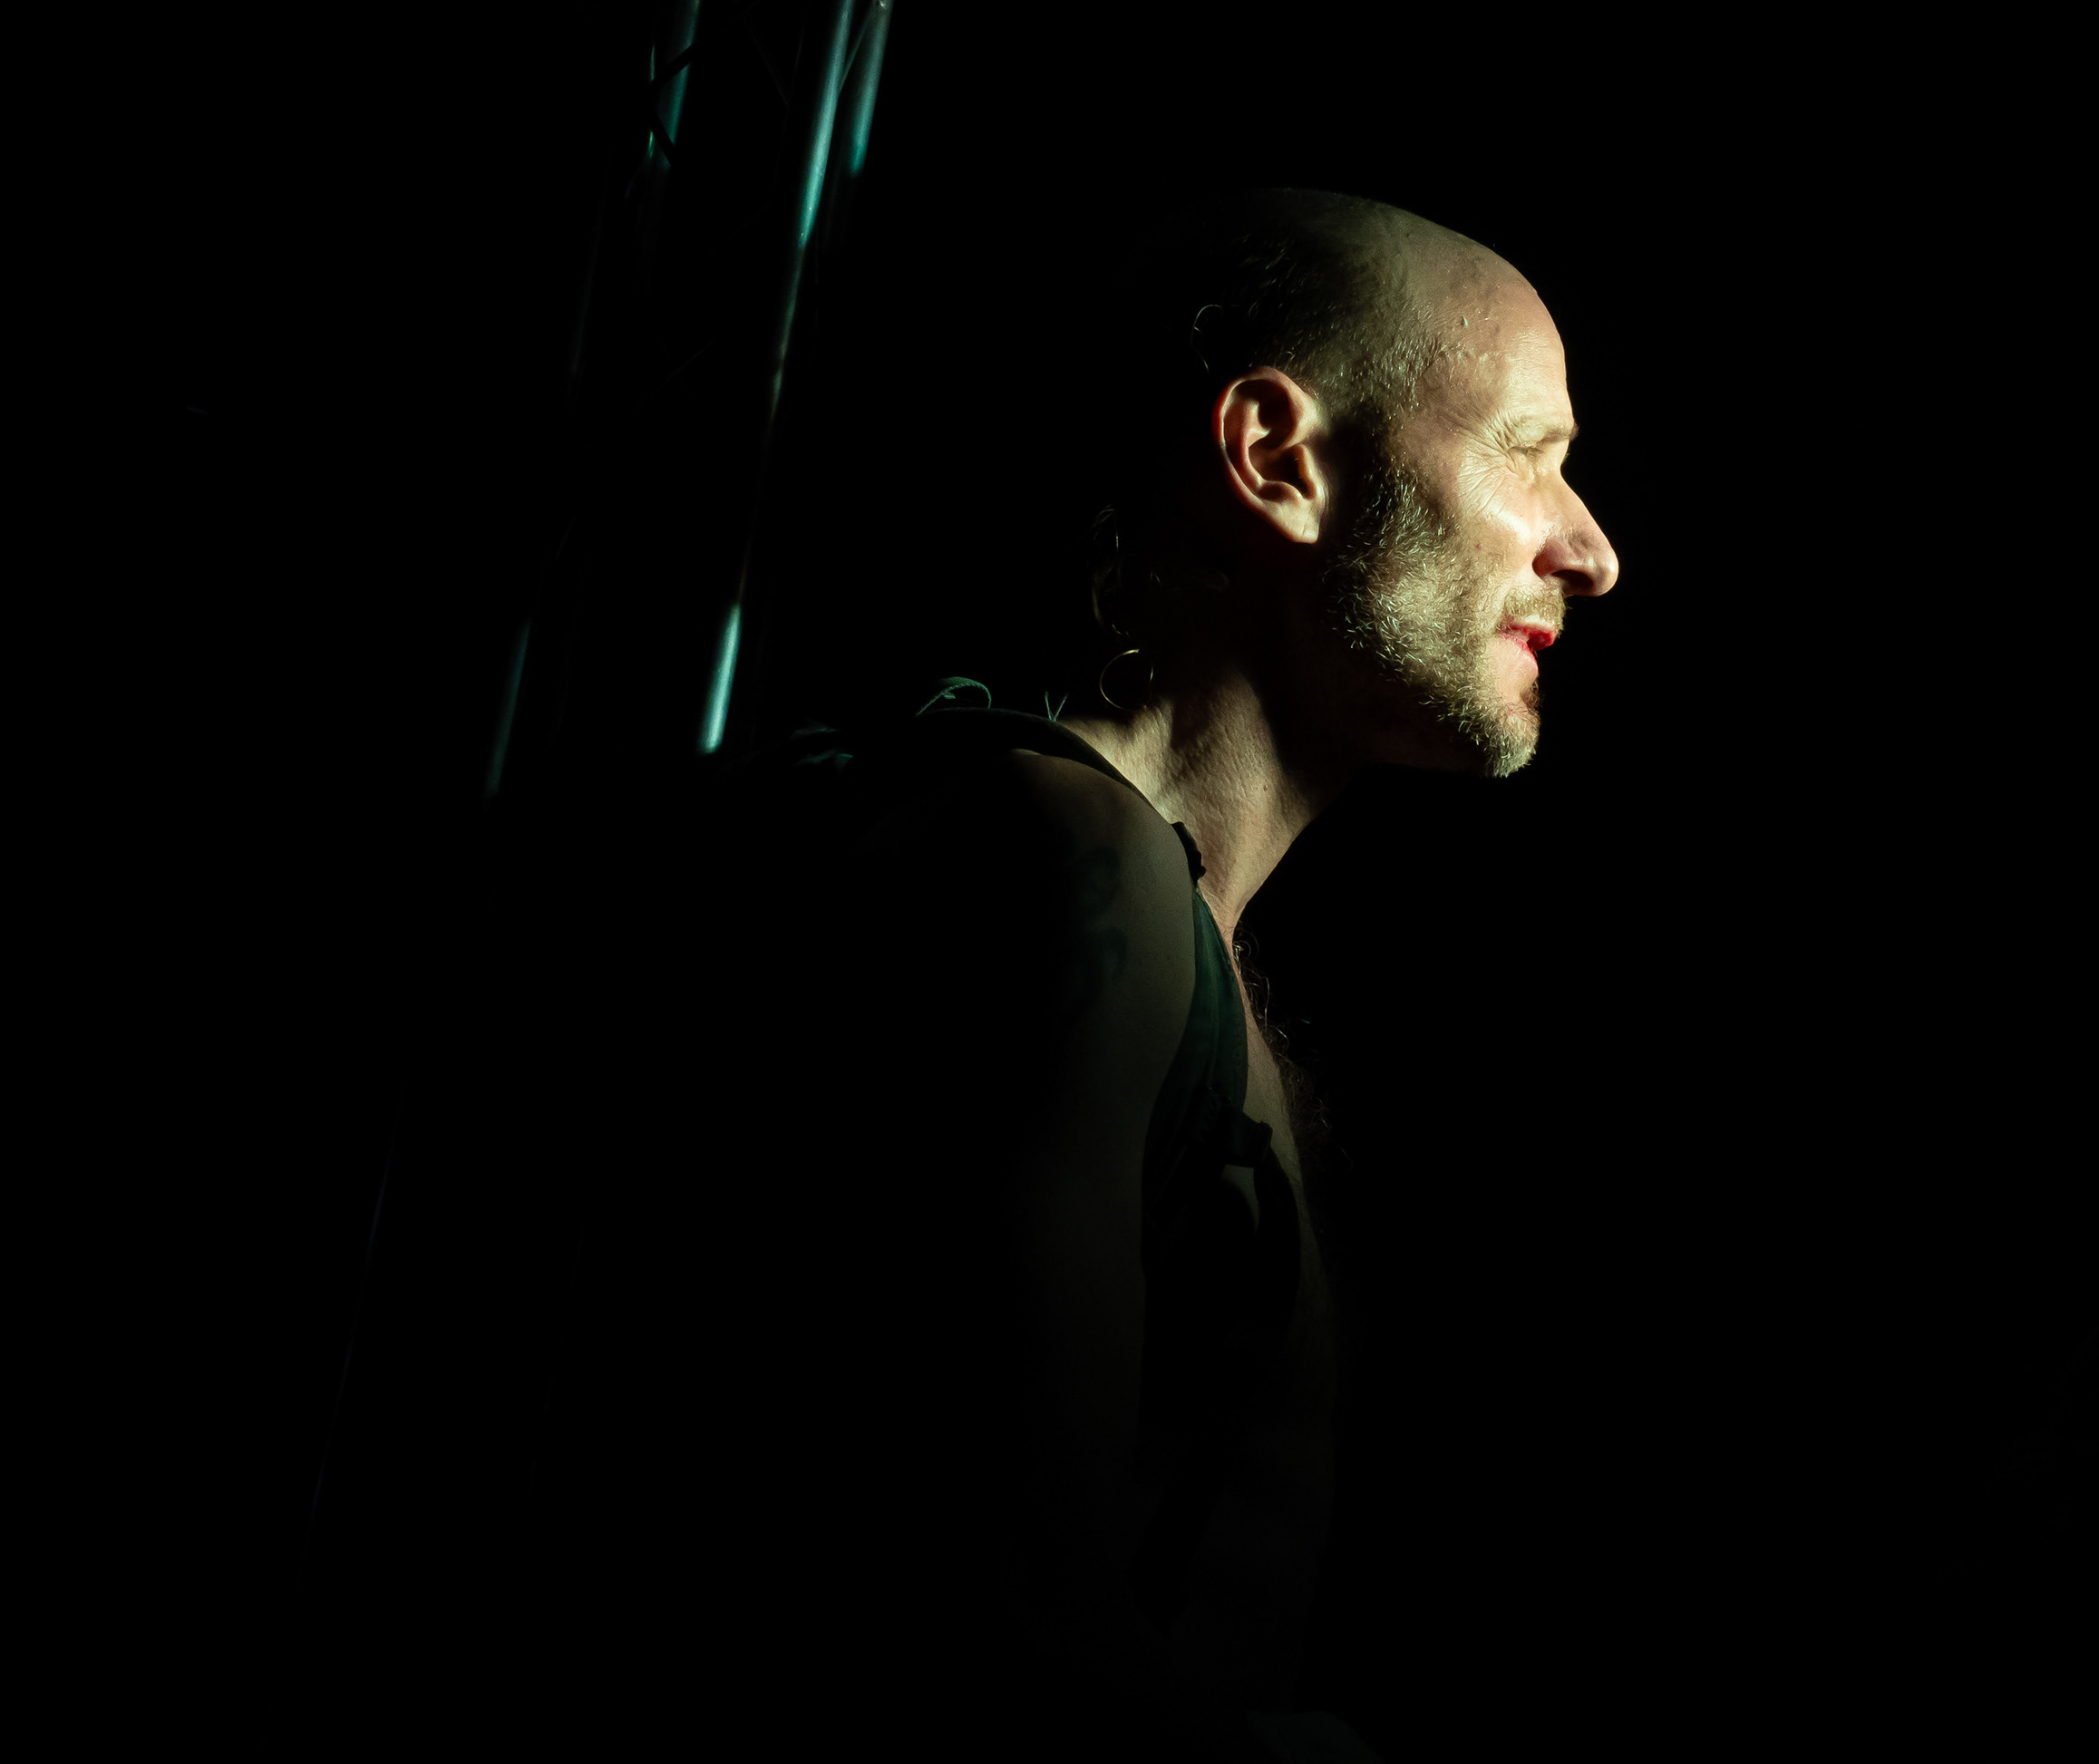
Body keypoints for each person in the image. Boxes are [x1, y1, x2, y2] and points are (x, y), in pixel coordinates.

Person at [521, 190, 1619, 1759]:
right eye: (1529, 451)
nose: (1592, 551)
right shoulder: (1060, 871)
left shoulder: (1174, 945)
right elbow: (983, 1629)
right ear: (1277, 458)